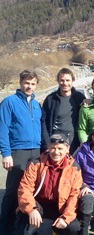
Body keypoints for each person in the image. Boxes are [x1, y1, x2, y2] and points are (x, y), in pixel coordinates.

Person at [14, 134, 82, 235]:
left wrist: (66, 218)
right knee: (24, 215)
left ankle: (55, 230)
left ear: (67, 149)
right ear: (48, 148)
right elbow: (25, 188)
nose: (56, 152)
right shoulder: (36, 163)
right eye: (53, 148)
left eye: (60, 148)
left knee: (73, 227)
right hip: (38, 204)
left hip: (60, 206)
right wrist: (31, 209)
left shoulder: (74, 168)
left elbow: (74, 196)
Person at [0, 70, 42, 235]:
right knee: (13, 189)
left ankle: (23, 224)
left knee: (31, 189)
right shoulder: (9, 102)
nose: (29, 86)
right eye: (26, 83)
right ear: (20, 83)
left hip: (36, 150)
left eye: (32, 84)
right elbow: (2, 129)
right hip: (18, 151)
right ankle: (5, 225)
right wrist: (6, 153)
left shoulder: (37, 105)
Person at [41, 68, 86, 154]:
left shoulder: (79, 97)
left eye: (67, 80)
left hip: (74, 142)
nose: (65, 83)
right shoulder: (51, 99)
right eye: (62, 80)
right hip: (56, 141)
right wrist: (47, 144)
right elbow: (44, 123)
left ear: (73, 80)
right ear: (58, 81)